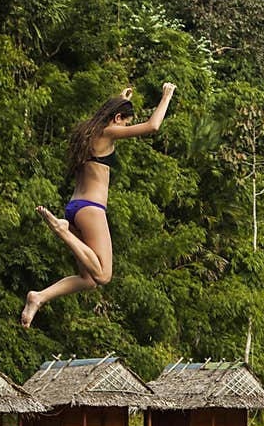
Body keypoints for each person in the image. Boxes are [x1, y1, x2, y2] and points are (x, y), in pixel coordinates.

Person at [21, 81, 177, 327]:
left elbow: (109, 115)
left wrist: (119, 98)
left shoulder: (88, 132)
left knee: (89, 280)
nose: (125, 126)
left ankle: (39, 297)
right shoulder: (108, 132)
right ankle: (61, 230)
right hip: (92, 209)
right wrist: (166, 96)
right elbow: (153, 126)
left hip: (75, 208)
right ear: (116, 118)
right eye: (125, 121)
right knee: (104, 275)